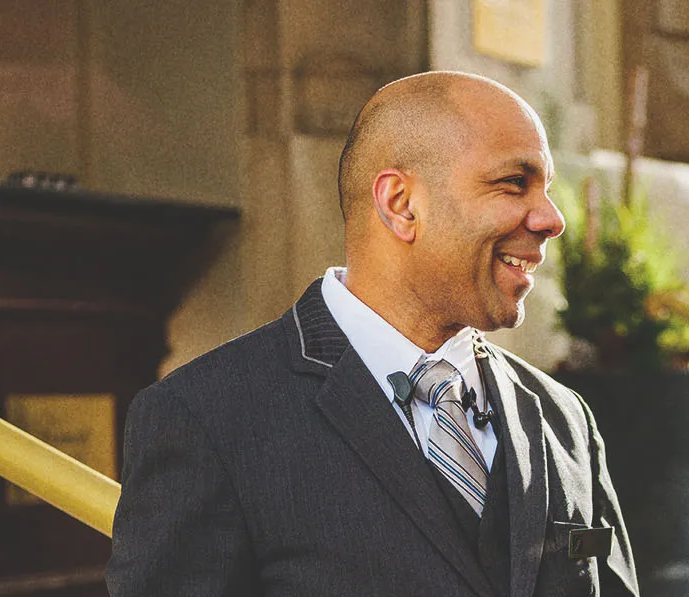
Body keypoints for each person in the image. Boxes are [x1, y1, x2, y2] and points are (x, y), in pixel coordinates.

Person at [108, 71, 637, 596]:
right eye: (513, 183)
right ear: (402, 204)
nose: (551, 218)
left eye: (546, 188)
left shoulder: (563, 418)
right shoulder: (206, 419)